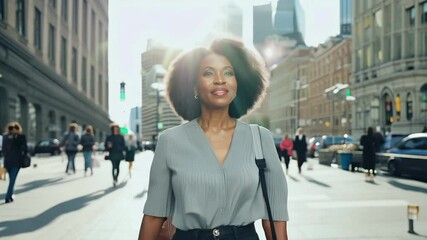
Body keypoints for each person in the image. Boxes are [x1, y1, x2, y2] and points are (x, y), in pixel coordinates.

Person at [138, 38, 289, 240]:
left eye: (228, 72)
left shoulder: (261, 138)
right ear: (193, 86)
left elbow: (274, 219)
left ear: (239, 84)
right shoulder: (170, 141)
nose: (220, 79)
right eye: (208, 73)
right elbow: (153, 217)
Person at [2, 121, 27, 203]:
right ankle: (7, 196)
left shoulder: (5, 137)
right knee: (12, 180)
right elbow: (25, 149)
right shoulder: (19, 137)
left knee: (12, 180)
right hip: (16, 162)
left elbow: (3, 150)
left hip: (8, 162)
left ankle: (11, 195)